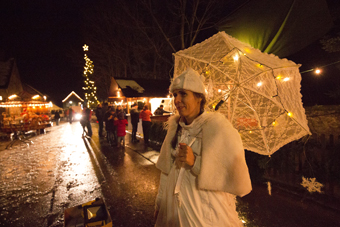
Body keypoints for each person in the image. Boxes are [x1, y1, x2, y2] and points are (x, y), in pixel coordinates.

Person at [154, 68, 252, 226]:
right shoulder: (174, 128)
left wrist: (195, 162)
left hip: (205, 213)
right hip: (174, 210)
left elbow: (234, 180)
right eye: (175, 95)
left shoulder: (217, 128)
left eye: (183, 94)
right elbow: (166, 171)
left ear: (199, 97)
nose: (177, 100)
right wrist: (160, 203)